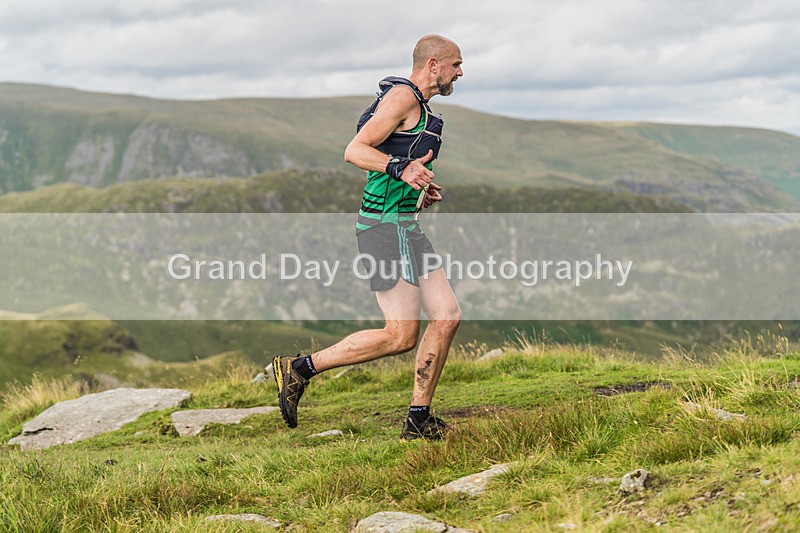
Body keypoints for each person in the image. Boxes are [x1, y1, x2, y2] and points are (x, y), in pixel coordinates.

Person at [273, 34, 463, 440]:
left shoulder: (422, 108)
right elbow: (355, 150)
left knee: (446, 317)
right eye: (455, 64)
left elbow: (392, 164)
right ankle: (300, 368)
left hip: (404, 224)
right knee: (400, 335)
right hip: (380, 228)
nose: (459, 72)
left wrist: (417, 188)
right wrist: (402, 170)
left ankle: (418, 419)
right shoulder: (401, 97)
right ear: (433, 64)